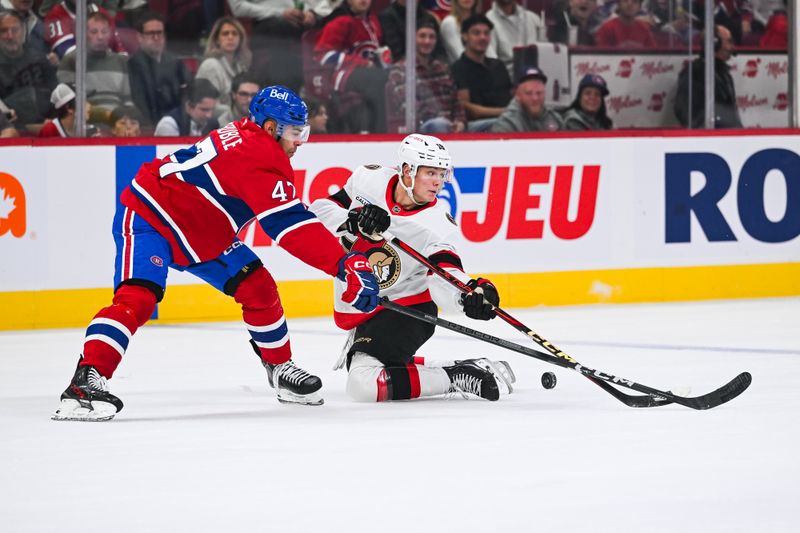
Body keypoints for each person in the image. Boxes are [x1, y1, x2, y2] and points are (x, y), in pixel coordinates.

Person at [51, 85, 381, 421]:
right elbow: (289, 225)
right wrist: (343, 264)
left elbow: (282, 209)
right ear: (270, 128)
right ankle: (85, 382)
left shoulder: (249, 136)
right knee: (138, 299)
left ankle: (279, 368)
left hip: (202, 232)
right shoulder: (260, 158)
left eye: (304, 132)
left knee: (259, 288)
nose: (300, 141)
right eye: (295, 132)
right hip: (151, 217)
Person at [309, 134, 514, 403]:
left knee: (364, 384)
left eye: (442, 174)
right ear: (407, 170)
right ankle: (466, 364)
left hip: (408, 309)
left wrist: (468, 294)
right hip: (370, 303)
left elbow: (444, 271)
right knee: (377, 368)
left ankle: (457, 377)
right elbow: (318, 211)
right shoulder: (368, 179)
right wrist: (352, 220)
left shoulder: (439, 223)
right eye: (430, 173)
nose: (438, 181)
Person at [314, 0, 390, 133]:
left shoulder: (374, 22)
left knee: (391, 77)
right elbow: (323, 55)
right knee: (380, 80)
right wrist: (360, 62)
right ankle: (379, 132)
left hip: (370, 74)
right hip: (343, 76)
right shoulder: (340, 22)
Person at [386, 20, 465, 133]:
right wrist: (445, 121)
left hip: (451, 125)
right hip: (420, 128)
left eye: (431, 37)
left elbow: (457, 102)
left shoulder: (443, 68)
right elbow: (408, 108)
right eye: (422, 36)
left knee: (491, 124)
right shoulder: (400, 71)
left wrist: (460, 121)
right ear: (412, 39)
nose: (427, 41)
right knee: (439, 125)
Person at [57, 11, 132, 121]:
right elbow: (69, 104)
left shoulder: (121, 61)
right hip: (86, 123)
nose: (100, 37)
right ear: (84, 34)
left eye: (104, 31)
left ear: (110, 34)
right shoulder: (71, 60)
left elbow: (129, 101)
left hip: (119, 122)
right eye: (94, 32)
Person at [128, 11, 192, 127]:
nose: (156, 37)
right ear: (140, 37)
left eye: (159, 33)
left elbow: (188, 95)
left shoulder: (176, 63)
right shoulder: (133, 65)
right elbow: (139, 104)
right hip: (149, 127)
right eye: (151, 33)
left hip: (177, 125)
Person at [450, 14, 512, 132]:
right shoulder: (458, 69)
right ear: (465, 36)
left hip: (506, 119)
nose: (482, 37)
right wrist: (506, 113)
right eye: (476, 33)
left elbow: (511, 95)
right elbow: (466, 108)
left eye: (486, 33)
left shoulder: (498, 65)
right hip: (477, 126)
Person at [673, 25, 742, 129]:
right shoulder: (695, 72)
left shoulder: (724, 74)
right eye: (729, 41)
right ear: (714, 43)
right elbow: (685, 112)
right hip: (708, 139)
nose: (732, 47)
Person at [0, 10, 56, 132]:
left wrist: (53, 120)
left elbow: (55, 92)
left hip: (48, 124)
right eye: (4, 31)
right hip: (13, 129)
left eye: (15, 30)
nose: (10, 36)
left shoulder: (39, 58)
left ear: (23, 32)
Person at [196, 17, 252, 117]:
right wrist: (239, 111)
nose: (230, 37)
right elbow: (208, 105)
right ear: (217, 40)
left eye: (234, 34)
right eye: (225, 34)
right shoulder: (210, 65)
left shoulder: (241, 66)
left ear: (240, 39)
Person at [491, 67, 564, 132]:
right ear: (518, 95)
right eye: (528, 93)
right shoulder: (507, 124)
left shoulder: (555, 118)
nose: (535, 98)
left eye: (539, 93)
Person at [486, 0, 544, 77]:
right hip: (506, 80)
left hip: (535, 77)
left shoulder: (532, 18)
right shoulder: (488, 20)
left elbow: (544, 53)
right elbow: (492, 61)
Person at [378, 0, 442, 62]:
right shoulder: (387, 17)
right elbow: (396, 54)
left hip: (431, 67)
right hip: (402, 68)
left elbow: (440, 52)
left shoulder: (429, 18)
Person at [154, 78, 220, 136]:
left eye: (212, 109)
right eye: (204, 110)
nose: (209, 115)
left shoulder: (213, 125)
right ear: (189, 106)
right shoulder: (169, 125)